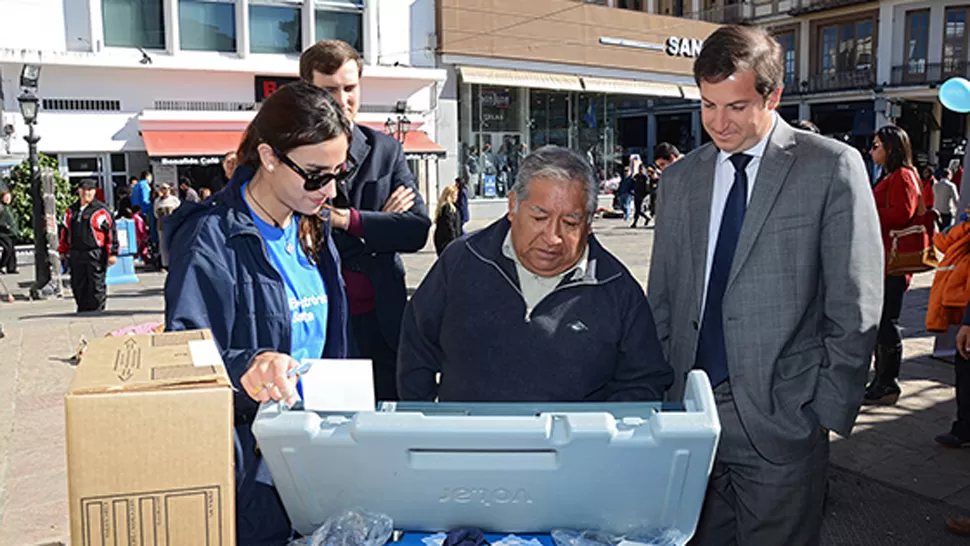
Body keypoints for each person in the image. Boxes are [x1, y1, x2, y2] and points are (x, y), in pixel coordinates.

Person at [647, 25, 882, 546]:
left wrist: (823, 409)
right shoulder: (680, 181)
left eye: (734, 106)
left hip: (784, 417)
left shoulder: (830, 167)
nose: (717, 122)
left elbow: (856, 301)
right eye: (707, 105)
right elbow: (662, 295)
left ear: (772, 95)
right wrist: (662, 393)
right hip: (691, 414)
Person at [164, 82, 351, 545]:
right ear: (268, 157)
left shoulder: (312, 226)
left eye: (336, 173)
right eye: (314, 174)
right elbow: (182, 361)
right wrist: (248, 366)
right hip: (251, 472)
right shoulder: (209, 239)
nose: (327, 190)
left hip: (317, 455)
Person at [398, 146, 673, 402]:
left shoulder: (617, 289)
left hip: (575, 451)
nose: (552, 237)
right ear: (513, 206)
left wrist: (596, 439)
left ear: (589, 223)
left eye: (570, 222)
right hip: (470, 446)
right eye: (539, 218)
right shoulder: (462, 260)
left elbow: (644, 381)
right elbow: (416, 348)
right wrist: (428, 429)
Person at [300, 40, 431, 402]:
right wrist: (380, 225)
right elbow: (301, 232)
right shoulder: (292, 154)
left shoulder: (385, 151)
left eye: (350, 88)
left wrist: (347, 220)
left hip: (384, 322)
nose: (342, 100)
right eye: (329, 90)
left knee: (391, 431)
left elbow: (417, 230)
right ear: (308, 91)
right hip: (322, 323)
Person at [865, 126, 923, 406]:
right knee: (882, 322)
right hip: (885, 261)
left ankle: (888, 382)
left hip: (894, 263)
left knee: (887, 322)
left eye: (876, 145)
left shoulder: (903, 175)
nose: (871, 150)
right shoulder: (893, 175)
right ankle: (881, 380)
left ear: (891, 148)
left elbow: (903, 213)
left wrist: (866, 208)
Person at [58, 179, 119, 312]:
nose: (87, 193)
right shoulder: (71, 211)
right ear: (79, 191)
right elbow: (64, 231)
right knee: (78, 283)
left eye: (90, 190)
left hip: (95, 252)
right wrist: (62, 251)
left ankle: (97, 310)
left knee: (96, 284)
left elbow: (111, 233)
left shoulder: (101, 210)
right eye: (84, 189)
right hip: (75, 253)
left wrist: (112, 253)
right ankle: (82, 309)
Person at [153, 183, 181, 270]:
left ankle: (175, 261)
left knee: (173, 243)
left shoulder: (174, 200)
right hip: (162, 225)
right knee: (163, 245)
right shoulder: (157, 201)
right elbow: (155, 213)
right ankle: (165, 264)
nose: (165, 191)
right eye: (163, 189)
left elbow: (179, 211)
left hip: (173, 225)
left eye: (166, 189)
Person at [433, 185, 462, 256]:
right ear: (449, 195)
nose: (456, 197)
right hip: (446, 241)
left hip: (445, 239)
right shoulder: (447, 208)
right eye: (455, 195)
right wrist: (455, 240)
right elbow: (449, 225)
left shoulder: (451, 207)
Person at [0, 190, 17, 274]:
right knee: (8, 248)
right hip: (2, 233)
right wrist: (5, 225)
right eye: (6, 197)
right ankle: (1, 265)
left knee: (12, 250)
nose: (7, 199)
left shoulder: (9, 208)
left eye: (9, 197)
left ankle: (11, 268)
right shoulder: (1, 207)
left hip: (10, 232)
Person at [630, 163, 649, 228]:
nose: (640, 170)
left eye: (641, 169)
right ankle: (646, 218)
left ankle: (635, 222)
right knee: (637, 209)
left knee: (638, 209)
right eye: (639, 169)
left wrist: (646, 194)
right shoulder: (636, 176)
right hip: (636, 194)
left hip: (642, 195)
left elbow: (647, 187)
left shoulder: (645, 177)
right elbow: (632, 183)